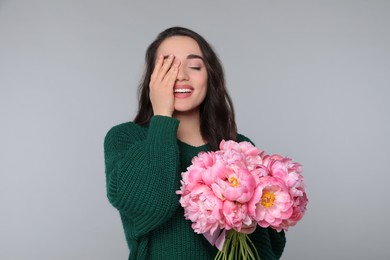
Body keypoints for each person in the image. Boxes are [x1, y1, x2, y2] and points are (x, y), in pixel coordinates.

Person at [104, 26, 286, 260]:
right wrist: (161, 117)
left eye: (194, 67)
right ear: (152, 80)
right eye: (168, 68)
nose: (181, 76)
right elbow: (151, 205)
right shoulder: (126, 138)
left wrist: (250, 226)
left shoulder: (237, 147)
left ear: (210, 76)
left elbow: (266, 252)